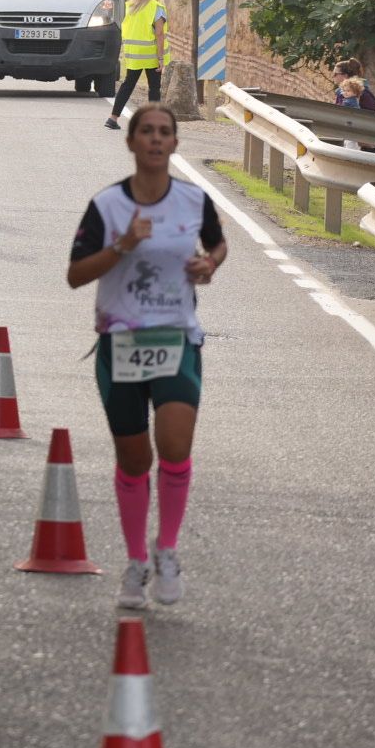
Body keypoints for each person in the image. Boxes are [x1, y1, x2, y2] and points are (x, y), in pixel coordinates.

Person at [66, 105, 227, 609]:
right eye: (147, 133)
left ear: (175, 144)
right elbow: (75, 275)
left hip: (177, 337)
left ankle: (168, 549)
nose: (156, 141)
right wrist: (122, 246)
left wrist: (208, 264)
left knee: (175, 447)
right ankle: (135, 561)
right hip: (120, 345)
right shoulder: (107, 206)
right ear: (132, 143)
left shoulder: (194, 201)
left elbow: (218, 247)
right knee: (134, 459)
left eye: (165, 133)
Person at [105, 0, 170, 130]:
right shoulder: (156, 7)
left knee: (128, 84)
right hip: (151, 54)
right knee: (154, 87)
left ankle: (112, 118)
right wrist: (161, 58)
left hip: (133, 54)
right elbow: (159, 34)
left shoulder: (129, 6)